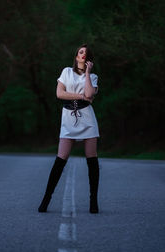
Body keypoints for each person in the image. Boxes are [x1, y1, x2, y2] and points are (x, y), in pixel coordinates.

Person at [38, 44, 100, 214]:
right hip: (68, 118)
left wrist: (87, 73)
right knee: (61, 158)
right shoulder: (66, 71)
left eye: (86, 54)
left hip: (87, 119)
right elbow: (60, 94)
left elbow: (90, 93)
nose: (83, 55)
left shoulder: (93, 76)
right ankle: (46, 199)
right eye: (81, 52)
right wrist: (81, 96)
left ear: (89, 59)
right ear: (76, 55)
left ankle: (93, 201)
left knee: (92, 159)